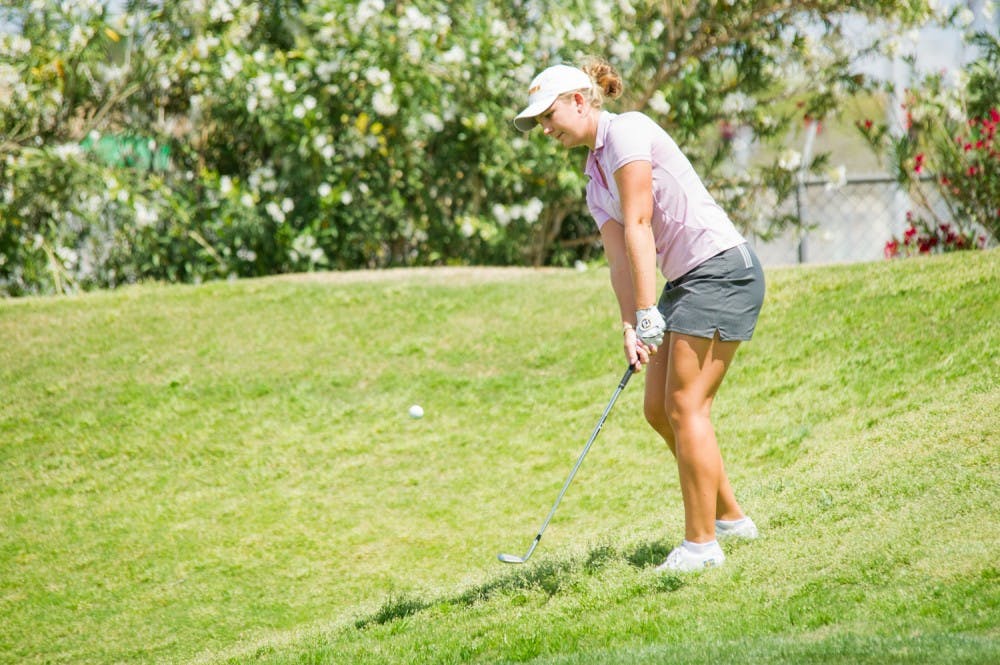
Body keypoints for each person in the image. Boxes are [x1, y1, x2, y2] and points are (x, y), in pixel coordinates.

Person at [513, 59, 765, 572]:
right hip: (688, 280)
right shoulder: (593, 178)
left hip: (721, 270)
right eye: (537, 120)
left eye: (548, 114)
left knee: (685, 405)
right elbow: (619, 263)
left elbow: (641, 222)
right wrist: (631, 324)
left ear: (580, 101)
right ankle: (732, 520)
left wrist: (650, 310)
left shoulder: (627, 133)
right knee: (658, 408)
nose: (544, 127)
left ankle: (701, 546)